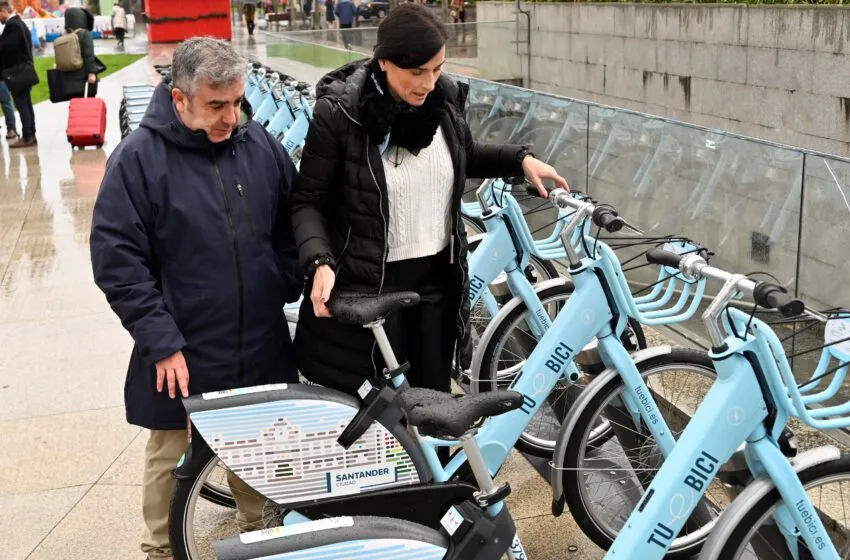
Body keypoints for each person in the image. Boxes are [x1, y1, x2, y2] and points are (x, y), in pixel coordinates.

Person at [90, 37, 302, 560]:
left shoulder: (260, 146)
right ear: (179, 98)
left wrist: (283, 278)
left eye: (237, 101)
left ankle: (258, 532)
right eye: (216, 105)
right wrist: (161, 341)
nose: (232, 116)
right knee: (171, 450)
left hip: (257, 335)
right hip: (180, 342)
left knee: (255, 444)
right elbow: (117, 260)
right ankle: (160, 549)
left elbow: (293, 222)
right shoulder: (137, 159)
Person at [291, 4, 567, 398]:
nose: (429, 82)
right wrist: (319, 261)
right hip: (370, 281)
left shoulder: (445, 100)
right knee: (374, 412)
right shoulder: (340, 115)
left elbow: (462, 155)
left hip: (436, 283)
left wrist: (519, 159)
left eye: (437, 69)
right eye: (417, 72)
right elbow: (308, 201)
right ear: (384, 62)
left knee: (432, 404)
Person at [0, 2, 36, 148]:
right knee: (26, 104)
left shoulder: (13, 26)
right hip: (23, 71)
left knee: (22, 104)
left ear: (3, 11)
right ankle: (31, 134)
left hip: (17, 72)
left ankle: (28, 136)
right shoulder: (19, 23)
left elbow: (7, 48)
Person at [62, 7, 105, 97]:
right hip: (85, 77)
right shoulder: (84, 34)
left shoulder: (65, 35)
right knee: (87, 106)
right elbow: (89, 55)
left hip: (69, 79)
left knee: (75, 105)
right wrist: (92, 73)